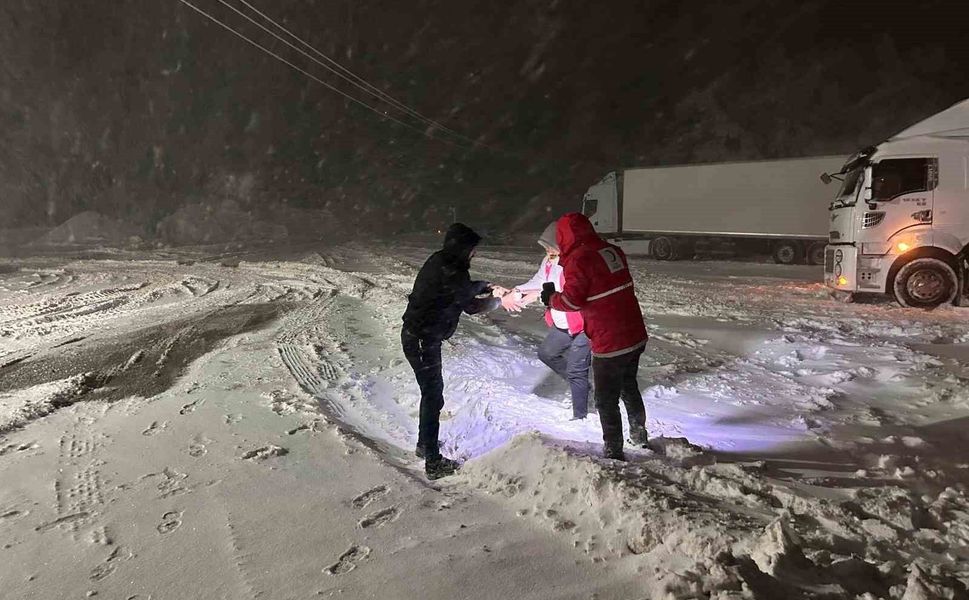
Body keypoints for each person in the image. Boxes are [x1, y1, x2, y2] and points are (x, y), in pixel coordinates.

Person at [401, 223, 505, 479]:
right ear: (462, 249)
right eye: (472, 249)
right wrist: (501, 300)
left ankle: (425, 445)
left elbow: (464, 288)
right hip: (423, 340)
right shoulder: (451, 270)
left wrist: (487, 285)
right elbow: (470, 305)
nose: (474, 254)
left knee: (431, 393)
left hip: (421, 337)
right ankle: (433, 464)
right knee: (433, 395)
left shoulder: (443, 261)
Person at [543, 212, 649, 461]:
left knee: (605, 399)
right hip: (633, 332)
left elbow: (572, 299)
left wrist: (551, 299)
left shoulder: (579, 258)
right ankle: (639, 434)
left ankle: (614, 451)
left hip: (609, 338)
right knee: (628, 386)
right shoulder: (610, 250)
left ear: (564, 236)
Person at [502, 221, 592, 420]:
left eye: (552, 246)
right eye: (545, 247)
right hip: (562, 324)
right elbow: (540, 281)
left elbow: (569, 294)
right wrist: (519, 291)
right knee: (547, 353)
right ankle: (582, 387)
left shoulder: (575, 263)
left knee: (577, 370)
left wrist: (538, 294)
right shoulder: (549, 261)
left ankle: (582, 415)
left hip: (582, 326)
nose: (548, 250)